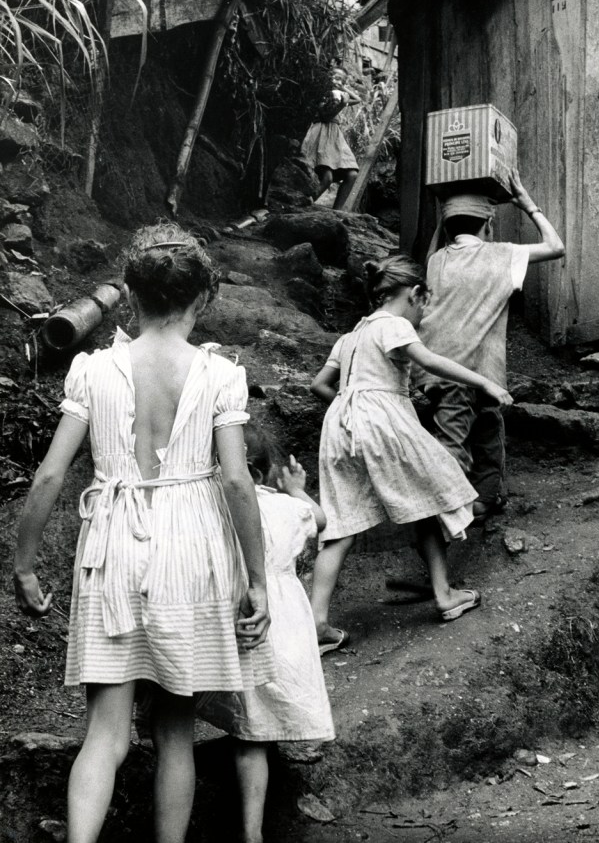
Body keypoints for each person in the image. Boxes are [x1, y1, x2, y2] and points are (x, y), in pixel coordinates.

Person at [13, 222, 273, 843]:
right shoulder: (219, 374)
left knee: (105, 735)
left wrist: (24, 564)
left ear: (129, 294)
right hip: (191, 546)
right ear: (204, 296)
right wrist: (258, 579)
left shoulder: (93, 370)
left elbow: (50, 475)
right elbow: (238, 483)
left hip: (111, 544)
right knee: (175, 732)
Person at [309, 255, 512, 652]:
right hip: (381, 420)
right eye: (424, 305)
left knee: (340, 525)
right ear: (415, 294)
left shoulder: (350, 337)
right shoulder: (394, 324)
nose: (422, 315)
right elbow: (429, 361)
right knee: (434, 492)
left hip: (339, 426)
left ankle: (317, 623)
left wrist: (353, 408)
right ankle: (444, 594)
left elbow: (319, 385)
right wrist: (486, 383)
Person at [198, 430, 334, 843]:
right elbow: (321, 520)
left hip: (239, 613)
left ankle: (250, 829)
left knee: (248, 727)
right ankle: (253, 831)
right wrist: (296, 488)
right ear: (261, 472)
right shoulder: (286, 507)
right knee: (261, 723)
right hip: (283, 619)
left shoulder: (211, 505)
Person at [416, 169, 565, 520]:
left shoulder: (436, 261)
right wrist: (527, 203)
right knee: (460, 442)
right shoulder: (501, 255)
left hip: (442, 366)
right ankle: (444, 519)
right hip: (471, 371)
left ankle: (483, 501)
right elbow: (556, 246)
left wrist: (445, 211)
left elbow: (436, 247)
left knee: (483, 426)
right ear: (488, 225)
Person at [301, 66, 362, 210]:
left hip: (334, 136)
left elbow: (357, 99)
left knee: (352, 175)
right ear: (328, 76)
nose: (337, 81)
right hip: (320, 133)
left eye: (341, 80)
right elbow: (325, 116)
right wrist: (342, 104)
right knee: (327, 178)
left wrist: (342, 88)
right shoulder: (322, 92)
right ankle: (304, 204)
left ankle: (337, 212)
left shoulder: (338, 94)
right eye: (335, 77)